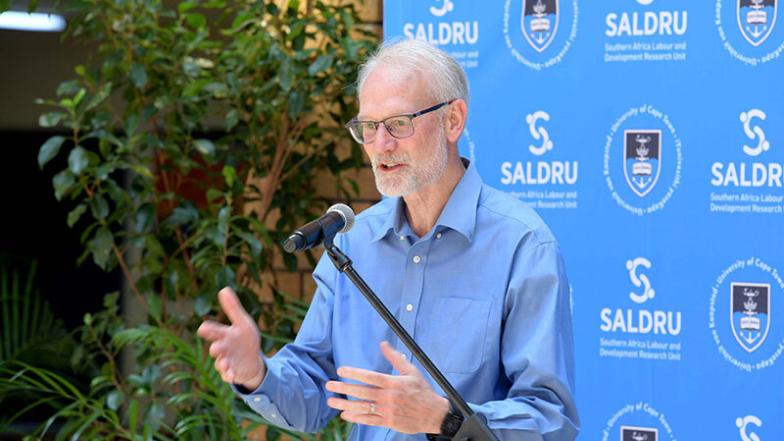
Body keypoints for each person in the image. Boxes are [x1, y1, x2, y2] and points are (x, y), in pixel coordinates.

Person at [198, 39, 579, 441]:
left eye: (398, 123)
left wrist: (443, 419)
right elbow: (314, 392)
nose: (381, 145)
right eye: (368, 127)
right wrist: (257, 373)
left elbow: (550, 420)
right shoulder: (352, 243)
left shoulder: (522, 245)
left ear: (453, 120)